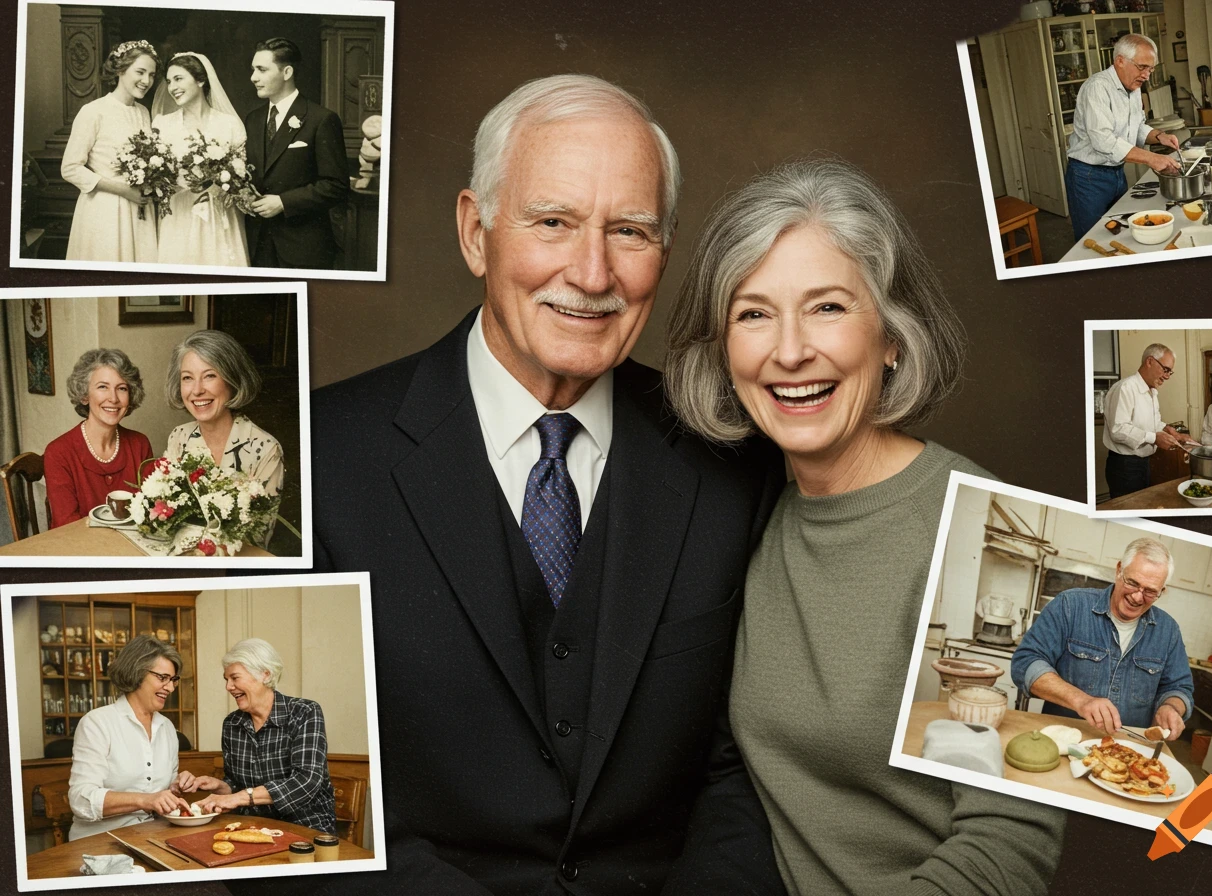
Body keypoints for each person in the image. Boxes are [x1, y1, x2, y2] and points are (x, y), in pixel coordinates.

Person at [297, 74, 787, 895]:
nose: (592, 272)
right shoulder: (317, 458)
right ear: (475, 231)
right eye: (553, 222)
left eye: (629, 230)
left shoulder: (734, 459)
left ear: (663, 252)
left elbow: (755, 772)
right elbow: (289, 798)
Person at [665, 158, 1064, 896]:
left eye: (827, 307)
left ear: (893, 335)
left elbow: (1011, 844)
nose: (790, 352)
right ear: (725, 351)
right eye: (754, 313)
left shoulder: (954, 524)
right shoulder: (750, 513)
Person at [1012, 537, 1194, 739]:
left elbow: (1179, 687)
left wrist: (1171, 707)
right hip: (1062, 740)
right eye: (1132, 583)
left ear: (1162, 591)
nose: (1137, 597)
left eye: (1150, 591)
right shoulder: (1069, 606)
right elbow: (1025, 663)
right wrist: (1081, 700)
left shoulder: (1168, 631)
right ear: (1119, 570)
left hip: (1128, 750)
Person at [175, 638, 336, 833]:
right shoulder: (232, 724)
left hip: (305, 826)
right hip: (253, 827)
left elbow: (306, 780)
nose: (228, 687)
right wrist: (217, 785)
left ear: (265, 675)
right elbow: (236, 784)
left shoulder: (304, 712)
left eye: (235, 678)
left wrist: (237, 798)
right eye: (226, 680)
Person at [67, 635, 189, 839]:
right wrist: (145, 800)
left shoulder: (167, 728)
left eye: (173, 680)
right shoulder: (97, 723)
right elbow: (81, 800)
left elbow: (161, 793)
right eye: (162, 678)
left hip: (153, 836)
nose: (170, 688)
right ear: (137, 672)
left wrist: (175, 786)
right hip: (100, 840)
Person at [1065, 33, 1182, 241]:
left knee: (1121, 233)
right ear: (1120, 61)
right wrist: (1152, 158)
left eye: (1150, 69)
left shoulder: (1133, 87)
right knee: (1091, 240)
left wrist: (1160, 136)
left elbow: (1135, 128)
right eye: (1142, 67)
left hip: (1117, 173)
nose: (1147, 75)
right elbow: (1104, 141)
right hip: (1088, 177)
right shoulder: (1097, 87)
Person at [244, 38, 348, 269]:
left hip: (304, 248)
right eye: (253, 70)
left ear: (287, 71)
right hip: (258, 245)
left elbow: (336, 186)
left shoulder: (321, 119)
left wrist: (283, 202)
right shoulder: (253, 120)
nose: (253, 77)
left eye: (261, 69)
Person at [61, 40, 161, 262]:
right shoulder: (93, 111)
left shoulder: (143, 112)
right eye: (140, 72)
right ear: (121, 69)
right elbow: (70, 168)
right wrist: (123, 190)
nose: (147, 81)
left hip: (139, 209)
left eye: (152, 75)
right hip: (105, 208)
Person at [152, 52, 250, 266]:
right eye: (169, 81)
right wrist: (177, 182)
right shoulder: (162, 124)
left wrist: (220, 182)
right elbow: (156, 181)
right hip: (178, 216)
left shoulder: (230, 124)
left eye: (179, 79)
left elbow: (242, 179)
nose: (172, 87)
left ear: (201, 80)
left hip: (220, 217)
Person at [163, 330, 283, 498]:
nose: (197, 390)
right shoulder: (179, 437)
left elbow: (262, 523)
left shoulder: (265, 449)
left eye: (209, 376)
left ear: (232, 380)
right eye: (187, 378)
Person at [44, 349, 152, 527]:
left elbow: (152, 512)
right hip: (79, 550)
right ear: (84, 395)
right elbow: (67, 525)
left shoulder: (139, 444)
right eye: (103, 387)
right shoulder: (58, 453)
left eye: (122, 388)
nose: (113, 398)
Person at [1101, 342, 1191, 499]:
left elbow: (1153, 423)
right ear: (1150, 361)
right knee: (1126, 513)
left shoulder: (1152, 392)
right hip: (1124, 466)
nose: (1167, 376)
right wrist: (1154, 438)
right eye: (1166, 370)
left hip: (1144, 462)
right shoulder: (1125, 388)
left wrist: (1170, 431)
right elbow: (1118, 430)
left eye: (1170, 372)